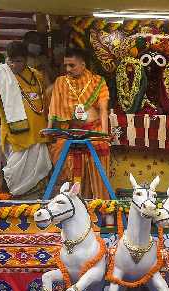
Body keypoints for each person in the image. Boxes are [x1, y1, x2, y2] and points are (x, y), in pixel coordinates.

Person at [0, 41, 52, 198]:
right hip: (15, 130)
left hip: (38, 129)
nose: (13, 65)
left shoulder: (36, 75)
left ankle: (33, 196)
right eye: (10, 60)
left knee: (40, 164)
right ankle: (8, 193)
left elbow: (45, 96)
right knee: (13, 166)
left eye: (18, 61)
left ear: (26, 60)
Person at [48, 47, 111, 199]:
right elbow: (53, 109)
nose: (68, 69)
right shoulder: (61, 82)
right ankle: (75, 207)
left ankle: (103, 211)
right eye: (65, 65)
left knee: (98, 175)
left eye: (72, 65)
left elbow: (103, 110)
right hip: (71, 132)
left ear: (83, 65)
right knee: (65, 166)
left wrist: (103, 134)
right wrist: (49, 130)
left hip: (94, 131)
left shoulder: (97, 82)